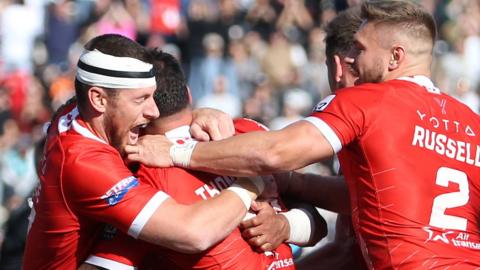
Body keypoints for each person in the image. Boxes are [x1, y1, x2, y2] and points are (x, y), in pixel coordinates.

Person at [126, 1, 480, 268]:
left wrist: (177, 154)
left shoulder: (369, 100)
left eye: (361, 48)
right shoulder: (470, 122)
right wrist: (290, 187)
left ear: (394, 57)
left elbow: (274, 152)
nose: (353, 59)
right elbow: (362, 199)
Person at [23, 34, 267, 269]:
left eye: (152, 97)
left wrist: (195, 114)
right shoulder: (85, 163)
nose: (154, 111)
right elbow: (193, 233)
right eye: (141, 100)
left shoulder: (76, 112)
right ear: (98, 100)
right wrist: (253, 181)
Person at [82, 50, 326, 270]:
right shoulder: (248, 134)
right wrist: (255, 187)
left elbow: (318, 224)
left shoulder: (141, 175)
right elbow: (318, 224)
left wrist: (284, 226)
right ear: (188, 93)